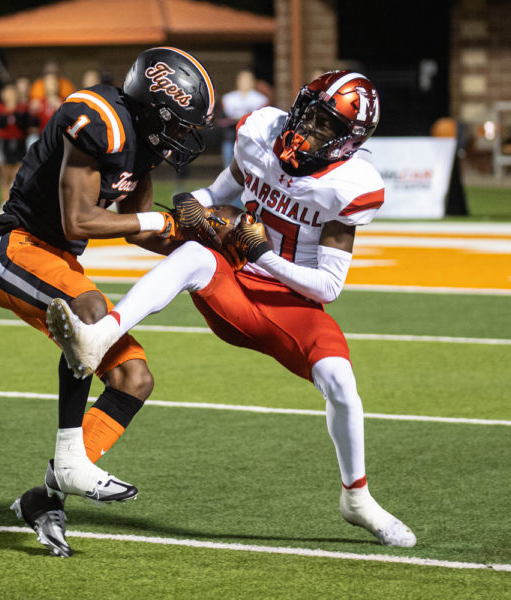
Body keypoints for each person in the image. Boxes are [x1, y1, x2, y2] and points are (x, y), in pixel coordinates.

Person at [46, 71, 416, 549]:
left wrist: (263, 255)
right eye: (311, 113)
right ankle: (100, 335)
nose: (310, 129)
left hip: (292, 304)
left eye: (327, 126)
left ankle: (357, 499)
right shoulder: (260, 131)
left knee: (342, 383)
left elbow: (329, 285)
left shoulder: (349, 185)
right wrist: (190, 207)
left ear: (348, 142)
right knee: (197, 254)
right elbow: (217, 194)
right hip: (234, 289)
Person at [0, 47, 215, 557]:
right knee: (90, 313)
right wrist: (162, 222)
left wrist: (214, 238)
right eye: (180, 123)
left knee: (134, 377)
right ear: (154, 106)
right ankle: (69, 460)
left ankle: (46, 497)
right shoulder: (99, 118)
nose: (184, 137)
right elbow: (78, 221)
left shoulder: (142, 147)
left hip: (61, 263)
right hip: (17, 249)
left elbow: (140, 226)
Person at [218, 70, 268, 168]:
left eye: (247, 80)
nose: (245, 83)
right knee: (229, 156)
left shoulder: (260, 99)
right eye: (242, 80)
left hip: (252, 134)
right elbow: (227, 113)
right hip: (232, 133)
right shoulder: (229, 98)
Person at [0, 84, 30, 206]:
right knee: (5, 174)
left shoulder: (22, 109)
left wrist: (14, 110)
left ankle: (17, 202)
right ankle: (4, 201)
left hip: (19, 143)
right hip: (5, 143)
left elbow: (23, 125)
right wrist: (8, 111)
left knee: (18, 174)